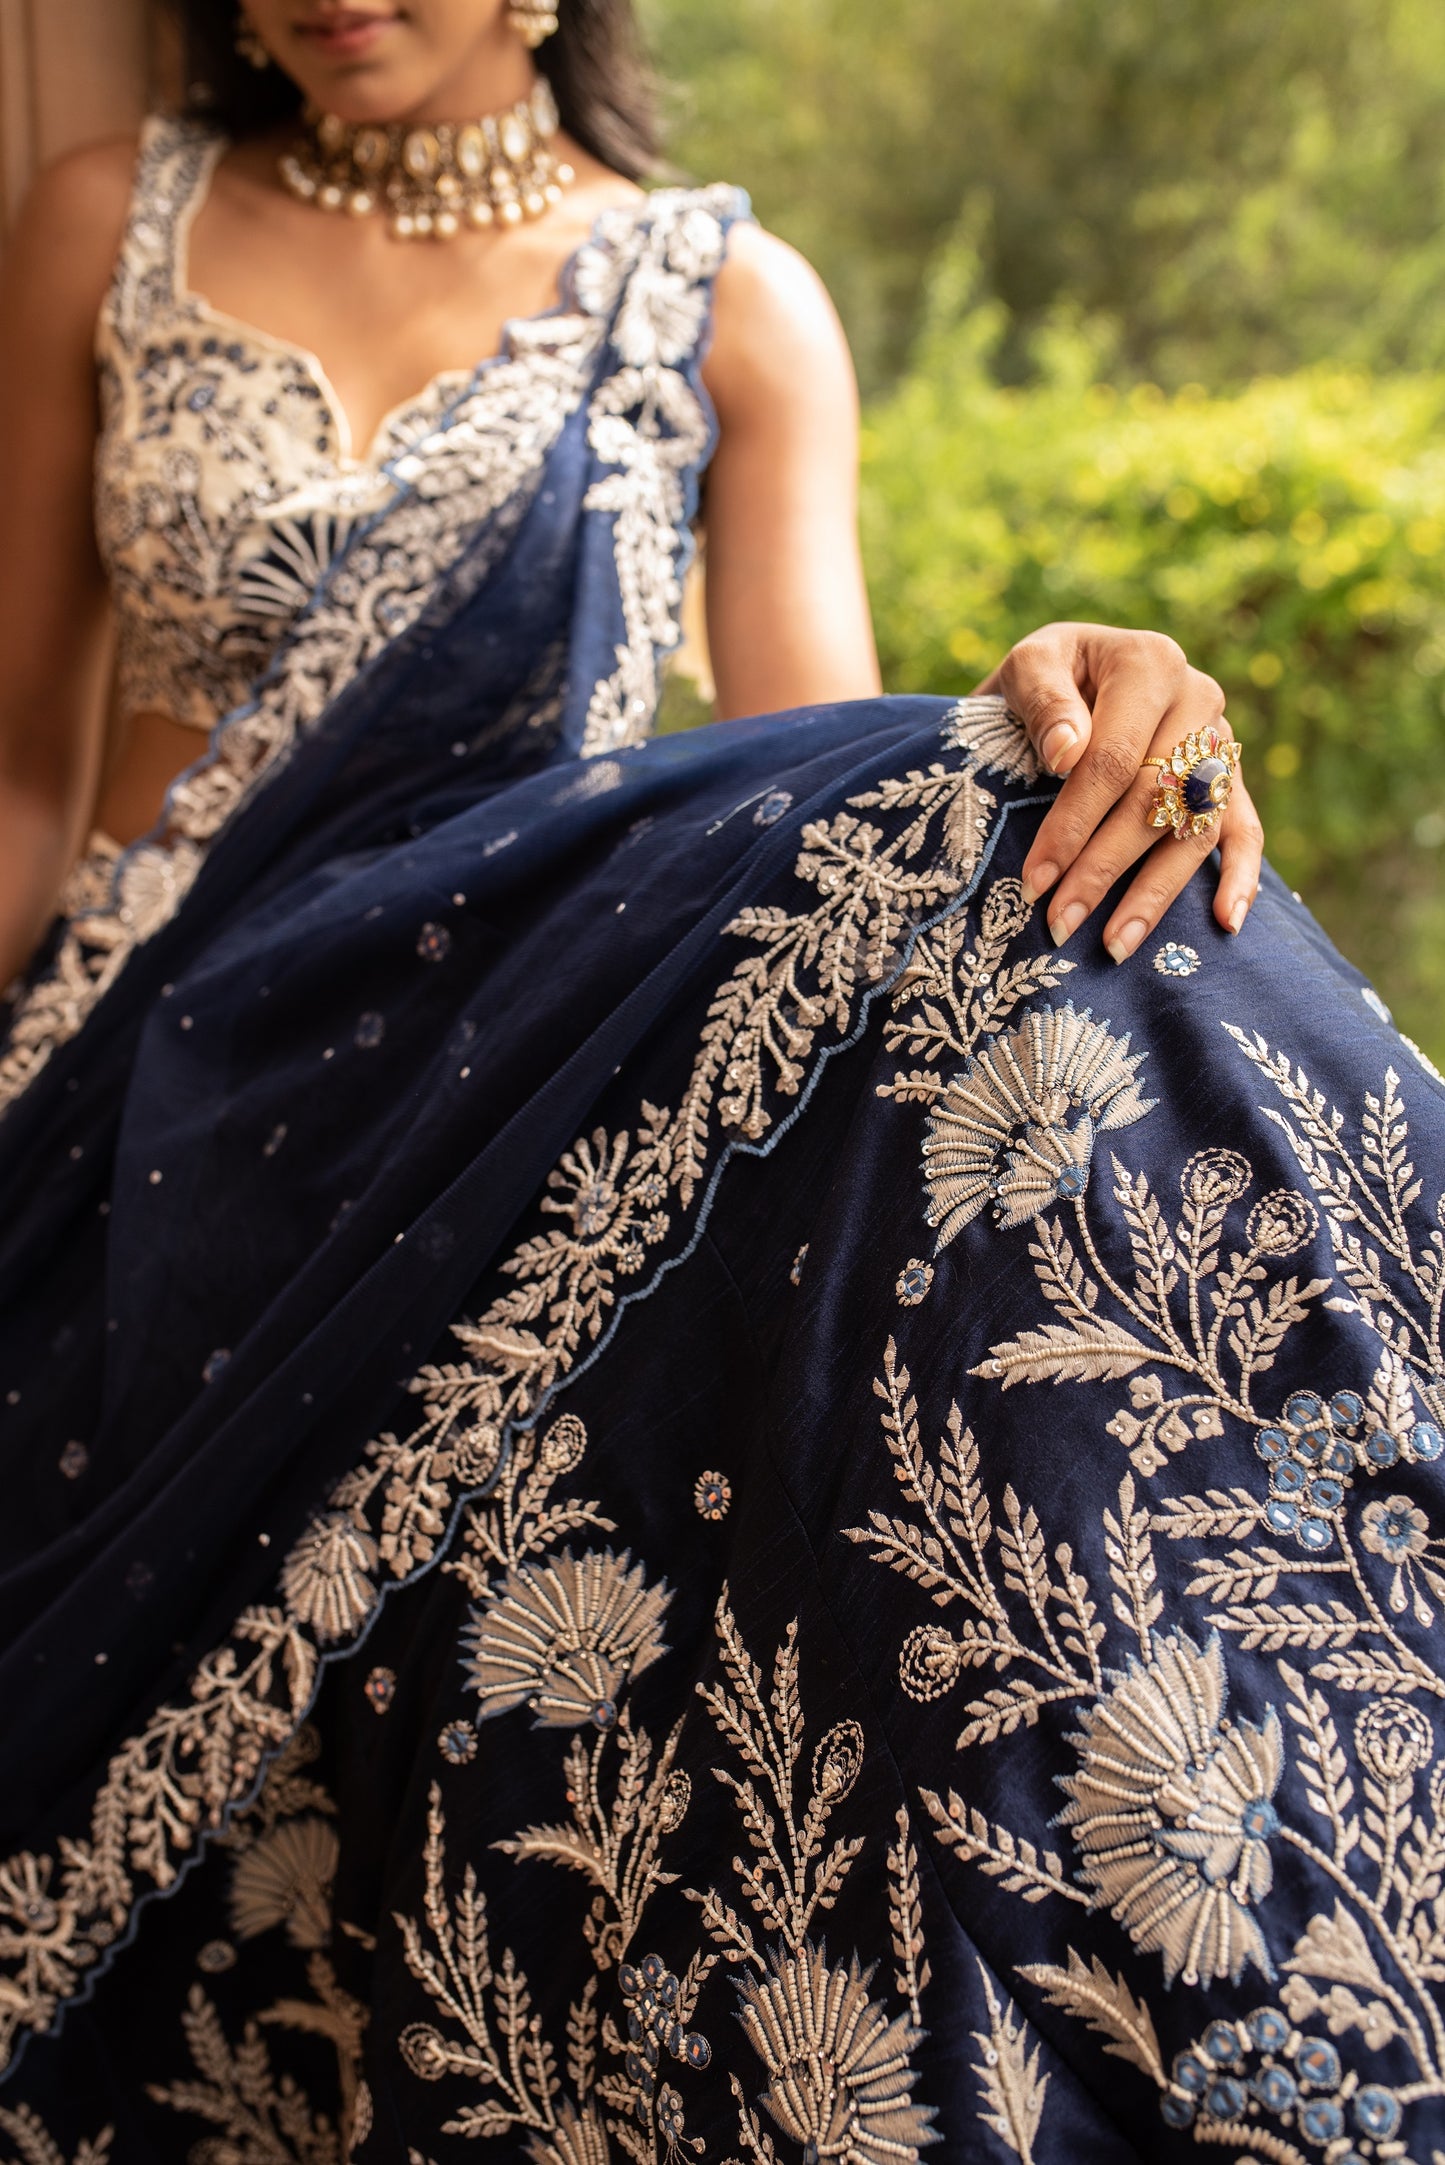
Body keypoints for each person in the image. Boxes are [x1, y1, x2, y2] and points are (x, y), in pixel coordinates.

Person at [0, 1, 1440, 2157]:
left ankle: (1293, 1734)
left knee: (1003, 850)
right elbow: (26, 766)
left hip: (510, 1056)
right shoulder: (104, 218)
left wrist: (1065, 706)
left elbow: (825, 807)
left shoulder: (732, 303)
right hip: (172, 1071)